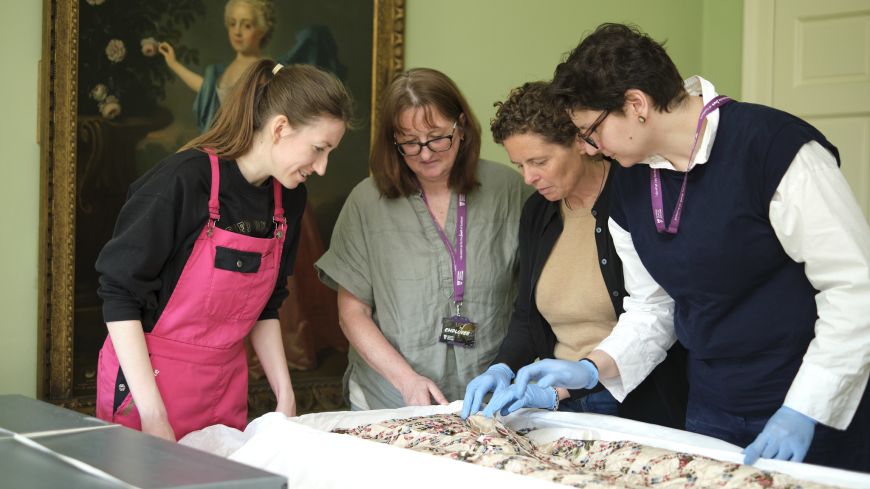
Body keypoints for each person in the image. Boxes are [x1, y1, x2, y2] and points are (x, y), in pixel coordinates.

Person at [497, 23, 870, 471]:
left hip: (808, 399)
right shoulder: (630, 181)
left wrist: (806, 407)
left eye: (591, 131)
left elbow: (855, 290)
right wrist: (593, 369)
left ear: (636, 104)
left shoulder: (774, 148)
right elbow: (654, 307)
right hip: (710, 403)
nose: (590, 147)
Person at [95, 61, 353, 441]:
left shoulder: (290, 200)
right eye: (318, 149)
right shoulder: (183, 181)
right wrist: (153, 416)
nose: (322, 167)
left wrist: (286, 398)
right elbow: (119, 295)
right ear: (280, 127)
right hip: (147, 388)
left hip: (224, 388)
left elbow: (266, 305)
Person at [460, 82, 686, 429]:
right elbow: (526, 315)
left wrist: (581, 379)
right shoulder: (538, 211)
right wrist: (502, 366)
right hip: (559, 401)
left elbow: (657, 313)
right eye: (519, 165)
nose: (529, 178)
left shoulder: (634, 195)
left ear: (582, 142)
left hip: (637, 399)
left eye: (539, 161)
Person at [314, 68, 529, 410]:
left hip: (489, 398)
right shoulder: (367, 202)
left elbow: (534, 302)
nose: (426, 153)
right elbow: (352, 312)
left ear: (461, 127)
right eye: (410, 143)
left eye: (437, 137)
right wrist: (407, 381)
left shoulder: (508, 189)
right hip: (389, 397)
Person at [160, 0, 345, 132]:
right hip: (219, 145)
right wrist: (173, 63)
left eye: (246, 25)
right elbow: (206, 89)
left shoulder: (267, 68)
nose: (238, 31)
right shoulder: (218, 71)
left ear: (262, 29)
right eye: (233, 24)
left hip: (248, 144)